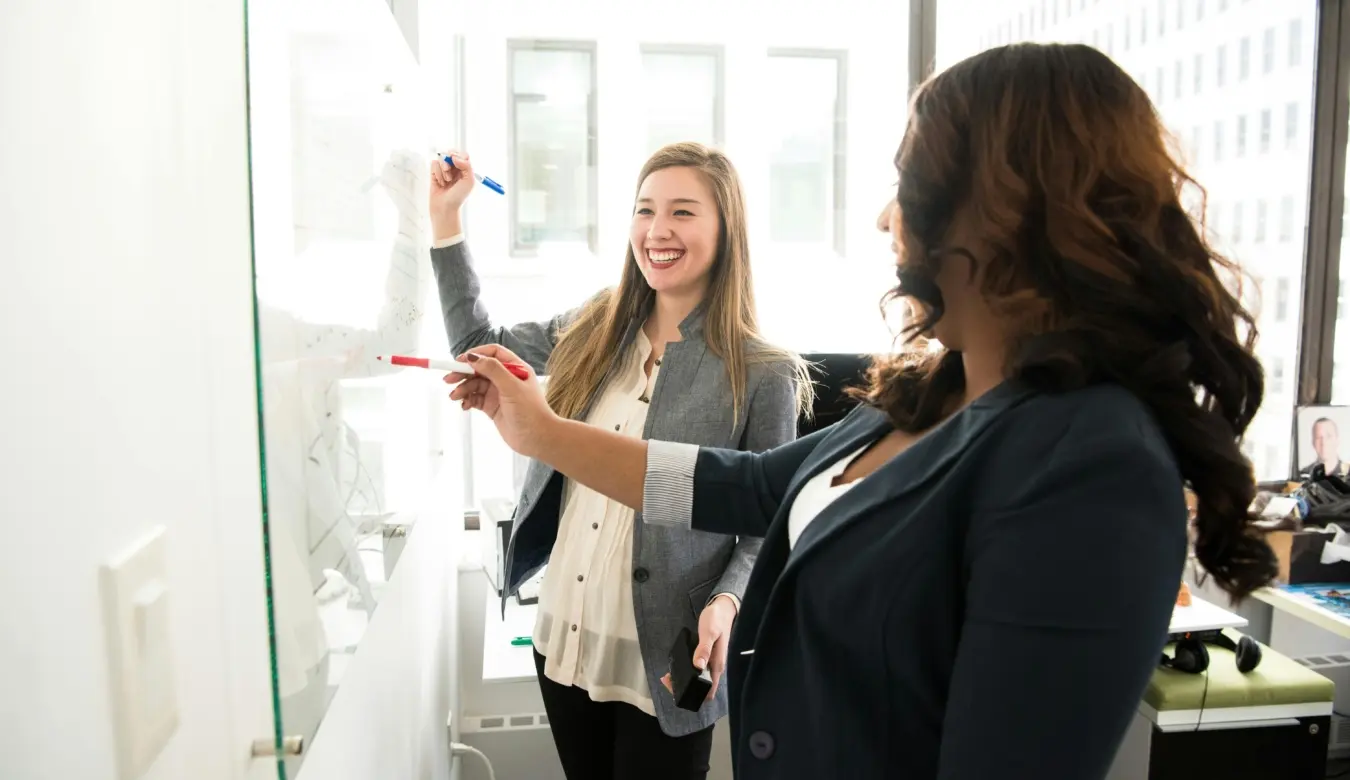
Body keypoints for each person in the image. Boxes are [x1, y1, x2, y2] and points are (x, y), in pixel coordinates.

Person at [444, 43, 1278, 780]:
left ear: (1006, 209)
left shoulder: (1090, 462)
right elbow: (747, 486)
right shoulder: (927, 393)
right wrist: (544, 434)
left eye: (908, 183)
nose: (886, 216)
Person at [428, 141, 809, 779]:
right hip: (564, 636)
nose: (657, 231)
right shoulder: (595, 323)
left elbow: (767, 519)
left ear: (726, 229)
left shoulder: (762, 371)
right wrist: (447, 220)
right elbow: (477, 347)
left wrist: (729, 600)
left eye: (683, 212)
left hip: (663, 654)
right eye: (645, 210)